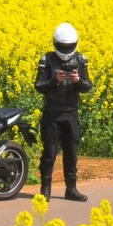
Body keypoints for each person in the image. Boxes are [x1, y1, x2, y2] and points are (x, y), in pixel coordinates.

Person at [34, 22, 92, 201]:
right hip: (52, 113)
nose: (66, 50)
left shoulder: (81, 60)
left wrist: (78, 80)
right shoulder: (47, 60)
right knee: (49, 153)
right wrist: (54, 79)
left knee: (71, 152)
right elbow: (39, 86)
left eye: (69, 47)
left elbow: (87, 86)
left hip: (71, 113)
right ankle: (45, 190)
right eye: (62, 46)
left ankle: (71, 189)